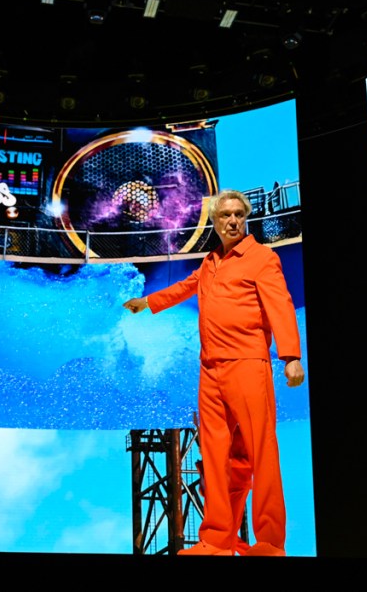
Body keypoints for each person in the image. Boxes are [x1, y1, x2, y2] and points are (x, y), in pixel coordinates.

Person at [123, 189, 305, 556]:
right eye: (225, 216)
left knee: (261, 454)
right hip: (210, 371)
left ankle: (269, 542)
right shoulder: (210, 261)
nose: (233, 221)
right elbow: (187, 286)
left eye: (239, 214)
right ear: (215, 222)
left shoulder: (261, 258)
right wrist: (149, 302)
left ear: (246, 218)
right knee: (218, 458)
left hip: (248, 366)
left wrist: (290, 356)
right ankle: (218, 539)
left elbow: (281, 306)